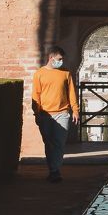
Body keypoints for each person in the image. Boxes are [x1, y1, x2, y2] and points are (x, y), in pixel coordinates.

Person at [32, 45, 79, 183]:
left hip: (62, 113)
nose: (61, 61)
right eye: (59, 59)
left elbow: (71, 93)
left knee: (59, 143)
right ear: (51, 58)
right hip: (45, 115)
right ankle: (53, 169)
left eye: (62, 59)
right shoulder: (39, 74)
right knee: (49, 143)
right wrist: (37, 113)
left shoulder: (66, 73)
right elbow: (36, 95)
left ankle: (55, 170)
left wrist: (75, 110)